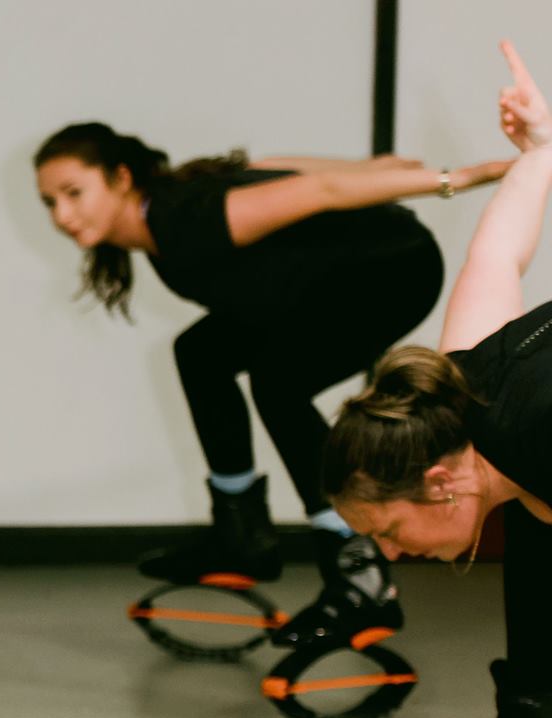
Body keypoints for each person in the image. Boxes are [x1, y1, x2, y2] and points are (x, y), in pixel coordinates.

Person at [33, 121, 506, 650]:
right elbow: (273, 170)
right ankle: (241, 534)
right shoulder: (167, 209)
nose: (61, 216)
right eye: (49, 201)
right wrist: (375, 169)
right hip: (312, 285)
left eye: (74, 194)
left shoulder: (185, 219)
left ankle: (357, 570)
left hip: (388, 271)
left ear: (121, 178)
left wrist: (461, 178)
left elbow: (317, 192)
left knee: (278, 384)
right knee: (200, 353)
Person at [324, 41, 552, 718]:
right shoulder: (464, 377)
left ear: (435, 481)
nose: (392, 552)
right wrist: (544, 148)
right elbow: (498, 253)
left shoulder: (535, 437)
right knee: (532, 516)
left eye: (388, 531)